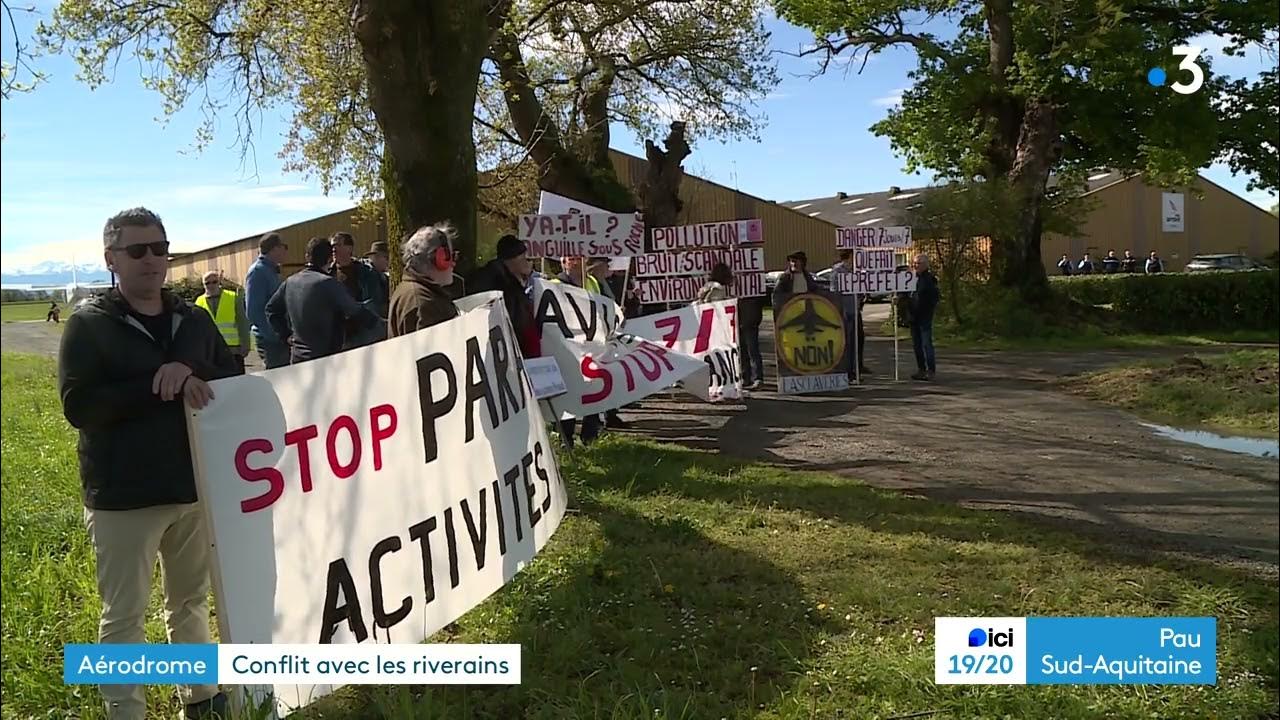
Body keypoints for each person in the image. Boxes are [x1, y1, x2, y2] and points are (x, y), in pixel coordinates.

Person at [58, 207, 237, 720]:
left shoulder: (193, 319)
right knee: (124, 616)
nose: (151, 260)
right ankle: (126, 711)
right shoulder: (89, 325)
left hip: (192, 487)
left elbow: (229, 373)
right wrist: (158, 385)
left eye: (160, 249)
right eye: (137, 250)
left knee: (190, 602)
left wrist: (189, 367)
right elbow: (80, 406)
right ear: (111, 259)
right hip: (124, 496)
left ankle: (200, 699)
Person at [265, 237, 377, 364]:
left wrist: (285, 335)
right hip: (324, 359)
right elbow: (355, 311)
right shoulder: (328, 283)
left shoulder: (290, 282)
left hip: (298, 357)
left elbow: (271, 309)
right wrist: (380, 325)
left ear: (307, 256)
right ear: (330, 259)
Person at [551, 256, 603, 447]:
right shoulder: (554, 284)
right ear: (563, 262)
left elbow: (600, 305)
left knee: (594, 386)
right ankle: (565, 437)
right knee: (569, 391)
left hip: (591, 344)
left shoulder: (592, 282)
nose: (574, 262)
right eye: (570, 259)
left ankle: (590, 435)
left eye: (578, 258)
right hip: (567, 346)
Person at [468, 234, 539, 358]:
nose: (528, 262)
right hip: (503, 351)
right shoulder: (499, 283)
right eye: (523, 257)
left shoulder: (509, 281)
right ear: (512, 258)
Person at [388, 223, 461, 337]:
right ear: (441, 258)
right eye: (451, 256)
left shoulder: (414, 291)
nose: (454, 263)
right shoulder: (423, 303)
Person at [329, 232, 387, 348]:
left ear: (349, 248)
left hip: (364, 333)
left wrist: (354, 309)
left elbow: (374, 301)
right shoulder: (328, 274)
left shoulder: (366, 272)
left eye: (338, 245)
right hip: (340, 335)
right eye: (332, 246)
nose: (334, 249)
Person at [244, 232, 290, 369]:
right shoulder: (258, 272)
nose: (286, 251)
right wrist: (276, 334)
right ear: (275, 248)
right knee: (279, 377)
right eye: (285, 247)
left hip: (279, 338)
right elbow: (253, 311)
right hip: (271, 341)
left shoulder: (271, 270)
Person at [195, 270, 251, 375]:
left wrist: (245, 345)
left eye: (214, 282)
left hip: (233, 350)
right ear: (203, 285)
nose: (211, 285)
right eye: (207, 283)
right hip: (211, 351)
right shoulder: (199, 302)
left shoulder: (233, 297)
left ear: (219, 282)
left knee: (237, 380)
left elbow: (242, 323)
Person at [831, 250, 870, 381]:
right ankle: (847, 371)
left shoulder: (855, 271)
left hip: (855, 310)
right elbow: (834, 292)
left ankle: (856, 368)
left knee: (857, 341)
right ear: (848, 257)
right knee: (848, 343)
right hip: (845, 312)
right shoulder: (838, 272)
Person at [908, 254, 941, 381]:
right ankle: (921, 369)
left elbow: (934, 298)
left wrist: (928, 309)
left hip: (924, 316)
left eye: (919, 263)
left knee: (926, 344)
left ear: (925, 265)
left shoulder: (929, 279)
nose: (916, 266)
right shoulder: (911, 278)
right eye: (914, 263)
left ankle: (931, 370)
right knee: (916, 344)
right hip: (913, 316)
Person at [738, 293, 766, 390]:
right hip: (740, 322)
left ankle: (757, 378)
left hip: (750, 322)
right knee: (743, 351)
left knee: (752, 350)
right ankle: (746, 377)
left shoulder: (753, 293)